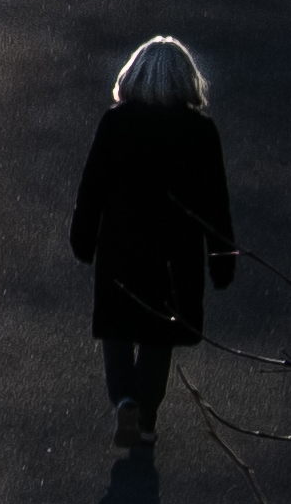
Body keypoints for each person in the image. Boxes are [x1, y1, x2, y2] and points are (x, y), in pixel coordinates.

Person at [68, 34, 236, 451]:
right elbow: (216, 203)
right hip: (174, 256)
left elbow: (92, 189)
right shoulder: (200, 132)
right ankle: (145, 416)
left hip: (121, 247)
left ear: (134, 75)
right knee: (160, 335)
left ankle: (124, 399)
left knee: (117, 329)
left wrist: (83, 240)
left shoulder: (116, 123)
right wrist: (222, 258)